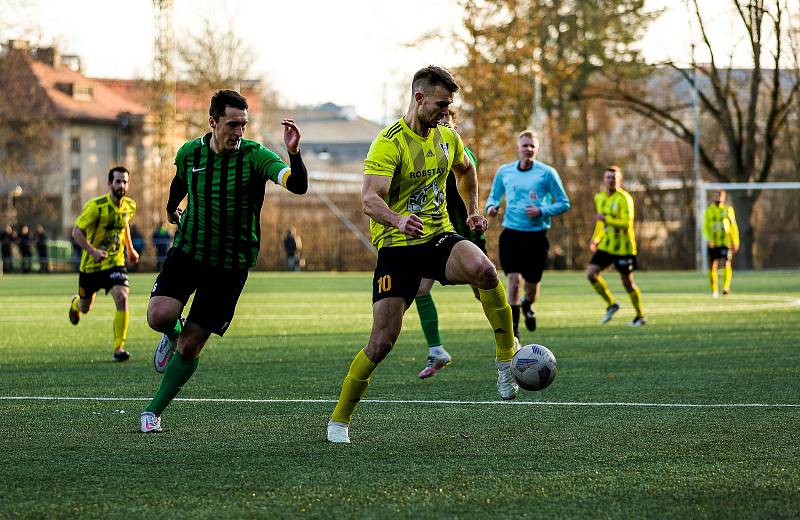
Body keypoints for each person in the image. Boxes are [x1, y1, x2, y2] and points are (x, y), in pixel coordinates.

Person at [326, 66, 518, 444]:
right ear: (419, 98)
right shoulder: (389, 142)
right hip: (397, 249)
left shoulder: (447, 136)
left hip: (438, 237)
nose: (447, 113)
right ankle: (339, 420)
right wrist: (398, 220)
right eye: (442, 105)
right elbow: (368, 199)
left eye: (450, 106)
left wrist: (473, 209)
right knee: (381, 343)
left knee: (485, 270)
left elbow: (467, 170)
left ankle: (505, 357)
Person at [140, 89, 308, 433]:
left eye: (244, 125)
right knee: (159, 316)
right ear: (213, 122)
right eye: (233, 124)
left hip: (230, 265)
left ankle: (152, 411)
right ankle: (170, 334)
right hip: (189, 251)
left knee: (191, 345)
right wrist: (172, 210)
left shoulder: (255, 156)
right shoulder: (189, 153)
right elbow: (179, 183)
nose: (239, 132)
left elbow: (297, 185)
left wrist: (294, 154)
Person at [414, 108, 485, 379]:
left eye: (448, 121)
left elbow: (464, 180)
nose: (442, 123)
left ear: (456, 127)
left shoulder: (463, 156)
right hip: (436, 236)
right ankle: (436, 350)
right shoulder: (427, 156)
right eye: (439, 120)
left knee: (482, 290)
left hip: (466, 236)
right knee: (420, 288)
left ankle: (509, 343)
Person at [485, 129, 571, 339]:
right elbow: (493, 197)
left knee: (531, 289)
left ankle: (527, 304)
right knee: (513, 282)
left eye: (532, 146)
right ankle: (514, 332)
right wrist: (492, 208)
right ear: (518, 148)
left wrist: (542, 210)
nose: (529, 149)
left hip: (536, 236)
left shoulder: (547, 173)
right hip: (511, 235)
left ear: (537, 149)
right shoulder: (504, 172)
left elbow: (564, 203)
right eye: (525, 145)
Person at [68, 166, 140, 361]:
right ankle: (75, 304)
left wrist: (130, 249)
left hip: (115, 263)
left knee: (122, 297)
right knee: (85, 307)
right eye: (117, 181)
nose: (121, 185)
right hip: (90, 266)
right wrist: (93, 251)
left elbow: (123, 224)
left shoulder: (130, 205)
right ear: (110, 183)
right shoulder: (96, 206)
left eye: (125, 181)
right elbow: (76, 232)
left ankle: (119, 347)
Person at [586, 166, 646, 326]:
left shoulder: (625, 198)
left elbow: (626, 224)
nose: (611, 180)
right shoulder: (599, 197)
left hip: (624, 248)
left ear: (620, 180)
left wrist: (606, 219)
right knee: (591, 274)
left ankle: (640, 316)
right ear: (604, 180)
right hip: (606, 246)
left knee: (627, 282)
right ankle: (612, 304)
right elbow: (601, 223)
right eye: (608, 177)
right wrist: (595, 239)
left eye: (614, 177)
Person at [703, 190, 739, 298]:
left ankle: (725, 288)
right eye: (716, 196)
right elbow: (705, 227)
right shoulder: (709, 210)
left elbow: (733, 226)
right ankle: (714, 290)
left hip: (725, 242)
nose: (718, 198)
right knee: (712, 265)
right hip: (713, 243)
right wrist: (709, 239)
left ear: (724, 197)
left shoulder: (728, 210)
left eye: (720, 196)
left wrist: (735, 240)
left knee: (726, 263)